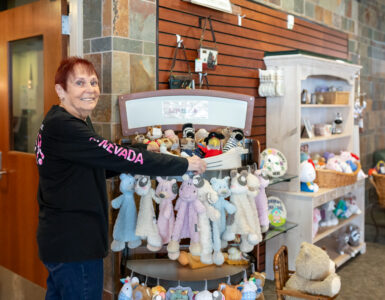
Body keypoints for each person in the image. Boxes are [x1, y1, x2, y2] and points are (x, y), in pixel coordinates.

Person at [34, 56, 206, 300]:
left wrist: (145, 150)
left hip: (63, 241)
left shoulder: (68, 121)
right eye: (80, 83)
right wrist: (184, 164)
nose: (90, 90)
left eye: (93, 82)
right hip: (74, 244)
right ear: (60, 90)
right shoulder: (65, 127)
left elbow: (101, 163)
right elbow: (118, 156)